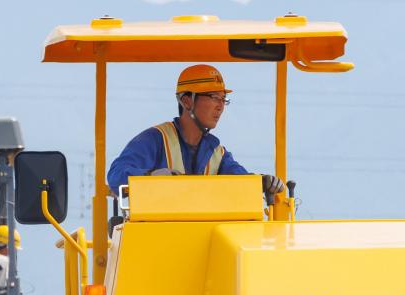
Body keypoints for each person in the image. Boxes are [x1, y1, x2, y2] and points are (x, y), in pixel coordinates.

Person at [105, 64, 284, 197]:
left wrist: (261, 181)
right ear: (187, 101)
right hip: (157, 234)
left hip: (205, 235)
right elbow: (116, 175)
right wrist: (149, 176)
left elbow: (240, 180)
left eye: (223, 99)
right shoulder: (155, 140)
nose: (220, 106)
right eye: (214, 97)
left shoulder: (217, 153)